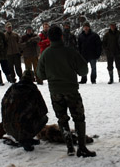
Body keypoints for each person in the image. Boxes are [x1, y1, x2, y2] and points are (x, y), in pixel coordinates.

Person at [37, 25, 96, 157]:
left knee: (62, 119)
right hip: (71, 91)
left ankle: (70, 147)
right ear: (62, 36)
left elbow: (41, 75)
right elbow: (84, 70)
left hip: (55, 92)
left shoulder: (45, 54)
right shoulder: (70, 52)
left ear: (48, 38)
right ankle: (81, 147)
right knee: (79, 118)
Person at [1, 70, 48, 151]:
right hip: (21, 128)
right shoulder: (33, 90)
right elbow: (43, 110)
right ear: (33, 79)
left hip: (7, 126)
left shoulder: (12, 88)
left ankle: (25, 137)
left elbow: (3, 104)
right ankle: (25, 139)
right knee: (44, 118)